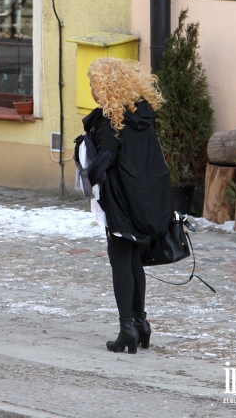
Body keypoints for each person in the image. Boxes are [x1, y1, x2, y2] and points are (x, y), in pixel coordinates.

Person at [83, 57, 173, 354]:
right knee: (134, 260)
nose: (93, 91)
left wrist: (85, 169)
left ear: (105, 86)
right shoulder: (142, 115)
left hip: (121, 202)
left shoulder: (111, 121)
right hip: (144, 199)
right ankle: (141, 323)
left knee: (120, 259)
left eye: (94, 84)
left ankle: (127, 329)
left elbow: (103, 164)